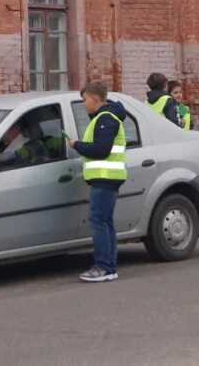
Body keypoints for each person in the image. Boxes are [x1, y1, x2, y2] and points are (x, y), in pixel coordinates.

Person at [66, 82, 127, 283]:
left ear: (95, 98)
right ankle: (108, 267)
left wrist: (77, 145)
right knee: (105, 221)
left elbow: (101, 150)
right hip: (106, 178)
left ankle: (103, 267)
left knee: (98, 221)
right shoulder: (104, 117)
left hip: (105, 177)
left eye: (85, 100)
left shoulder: (105, 118)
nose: (83, 104)